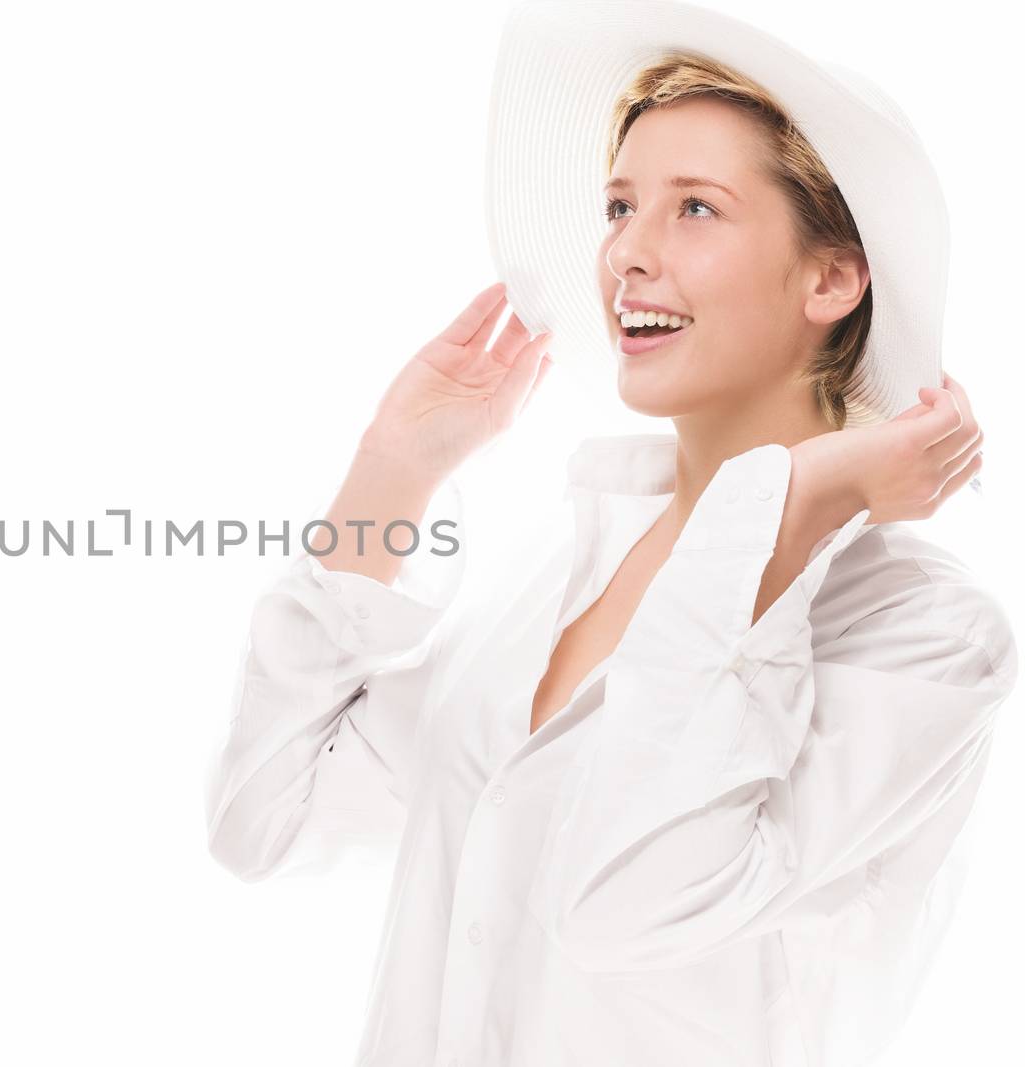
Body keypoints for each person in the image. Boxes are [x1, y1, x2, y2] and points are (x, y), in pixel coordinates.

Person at [201, 5, 1016, 1065]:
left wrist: (788, 506)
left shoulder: (926, 634)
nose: (626, 252)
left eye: (695, 209)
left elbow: (636, 901)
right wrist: (392, 468)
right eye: (618, 205)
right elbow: (264, 818)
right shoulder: (552, 565)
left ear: (830, 277)